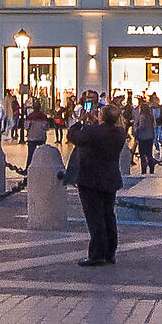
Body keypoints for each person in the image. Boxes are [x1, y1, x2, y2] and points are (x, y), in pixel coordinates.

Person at [68, 100, 126, 268]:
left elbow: (74, 137)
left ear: (101, 116)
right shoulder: (120, 133)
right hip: (110, 178)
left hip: (91, 178)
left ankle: (97, 254)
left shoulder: (93, 131)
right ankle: (110, 252)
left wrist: (78, 124)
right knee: (108, 215)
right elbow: (99, 134)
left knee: (95, 217)